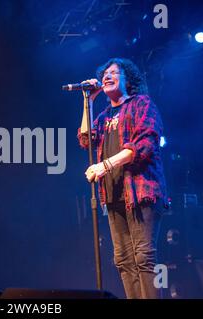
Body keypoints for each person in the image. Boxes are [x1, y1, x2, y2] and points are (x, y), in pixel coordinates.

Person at [77, 58, 168, 299]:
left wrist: (105, 165)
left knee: (143, 256)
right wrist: (89, 101)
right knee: (123, 259)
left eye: (114, 72)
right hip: (114, 194)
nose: (107, 76)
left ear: (128, 79)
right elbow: (86, 140)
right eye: (105, 73)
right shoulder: (104, 115)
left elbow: (144, 145)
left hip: (141, 192)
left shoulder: (141, 104)